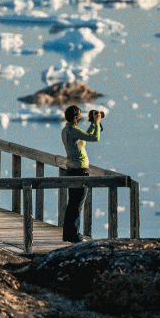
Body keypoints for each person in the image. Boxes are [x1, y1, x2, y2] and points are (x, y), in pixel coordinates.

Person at [61, 104, 103, 243]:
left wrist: (92, 125)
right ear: (77, 118)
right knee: (77, 205)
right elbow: (95, 138)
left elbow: (83, 139)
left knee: (72, 203)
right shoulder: (73, 131)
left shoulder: (67, 130)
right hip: (80, 171)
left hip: (72, 170)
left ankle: (68, 234)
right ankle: (75, 236)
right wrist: (97, 122)